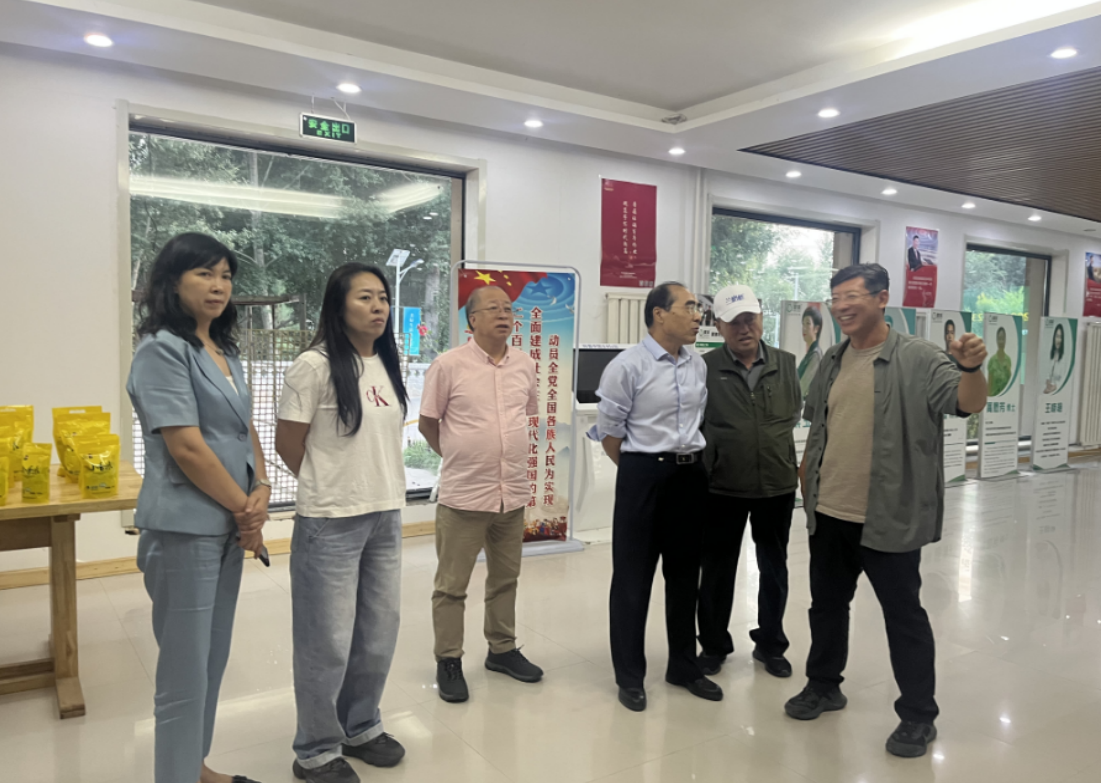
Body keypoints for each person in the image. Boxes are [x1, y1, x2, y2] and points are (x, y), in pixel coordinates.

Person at [783, 264, 988, 759]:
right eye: (835, 298)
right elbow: (821, 426)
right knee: (826, 607)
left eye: (852, 296)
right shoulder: (833, 359)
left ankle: (918, 715)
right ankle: (824, 685)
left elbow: (967, 403)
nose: (841, 306)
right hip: (830, 511)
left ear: (881, 298)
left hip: (888, 516)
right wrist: (806, 482)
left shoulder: (919, 357)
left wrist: (970, 369)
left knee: (903, 615)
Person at [127, 233, 271, 783]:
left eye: (226, 276)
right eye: (204, 274)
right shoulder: (161, 349)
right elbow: (187, 447)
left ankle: (196, 767)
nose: (218, 286)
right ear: (172, 282)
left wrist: (261, 490)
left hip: (227, 524)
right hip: (185, 528)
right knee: (184, 672)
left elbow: (243, 428)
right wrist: (245, 510)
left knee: (212, 659)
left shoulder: (223, 350)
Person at [276, 264, 409, 783]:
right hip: (329, 521)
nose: (378, 307)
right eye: (365, 298)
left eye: (383, 298)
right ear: (338, 306)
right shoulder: (313, 365)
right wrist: (328, 485)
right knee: (325, 641)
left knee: (377, 632)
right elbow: (290, 443)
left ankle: (361, 725)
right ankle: (315, 749)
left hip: (384, 514)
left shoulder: (386, 362)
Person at [590, 281, 722, 712]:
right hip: (644, 475)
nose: (698, 316)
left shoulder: (697, 364)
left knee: (684, 577)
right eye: (689, 307)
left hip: (690, 477)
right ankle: (630, 676)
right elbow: (610, 432)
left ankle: (683, 666)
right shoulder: (627, 366)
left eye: (699, 308)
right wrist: (641, 470)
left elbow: (696, 421)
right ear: (660, 314)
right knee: (633, 578)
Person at [419, 284, 543, 703]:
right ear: (472, 320)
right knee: (451, 586)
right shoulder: (448, 365)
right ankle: (448, 659)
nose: (504, 314)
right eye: (493, 308)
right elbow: (428, 422)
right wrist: (458, 455)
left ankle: (502, 650)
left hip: (512, 493)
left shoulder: (525, 364)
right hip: (465, 495)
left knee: (506, 578)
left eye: (508, 308)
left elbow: (524, 416)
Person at [698, 284, 801, 680]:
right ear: (719, 326)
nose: (744, 328)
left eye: (750, 319)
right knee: (717, 569)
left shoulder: (786, 364)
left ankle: (771, 644)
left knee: (774, 568)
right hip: (721, 486)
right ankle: (713, 645)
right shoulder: (704, 368)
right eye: (734, 322)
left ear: (761, 318)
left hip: (776, 484)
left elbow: (793, 414)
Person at [798, 307, 823, 398]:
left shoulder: (815, 355)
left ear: (816, 329)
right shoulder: (810, 353)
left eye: (808, 323)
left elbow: (801, 389)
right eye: (803, 324)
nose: (804, 328)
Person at [1042, 323, 1070, 394]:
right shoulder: (1051, 354)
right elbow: (1046, 372)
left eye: (1060, 337)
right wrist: (1047, 381)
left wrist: (1054, 385)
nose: (1058, 340)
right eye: (1057, 336)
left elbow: (1062, 377)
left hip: (1058, 391)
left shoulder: (1065, 357)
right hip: (1048, 389)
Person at [987, 327, 1013, 396]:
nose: (1001, 342)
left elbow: (1011, 381)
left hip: (1006, 397)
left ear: (1005, 340)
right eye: (999, 339)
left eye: (1003, 339)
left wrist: (1008, 370)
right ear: (996, 340)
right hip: (994, 397)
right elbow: (989, 383)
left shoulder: (1008, 360)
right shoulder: (992, 360)